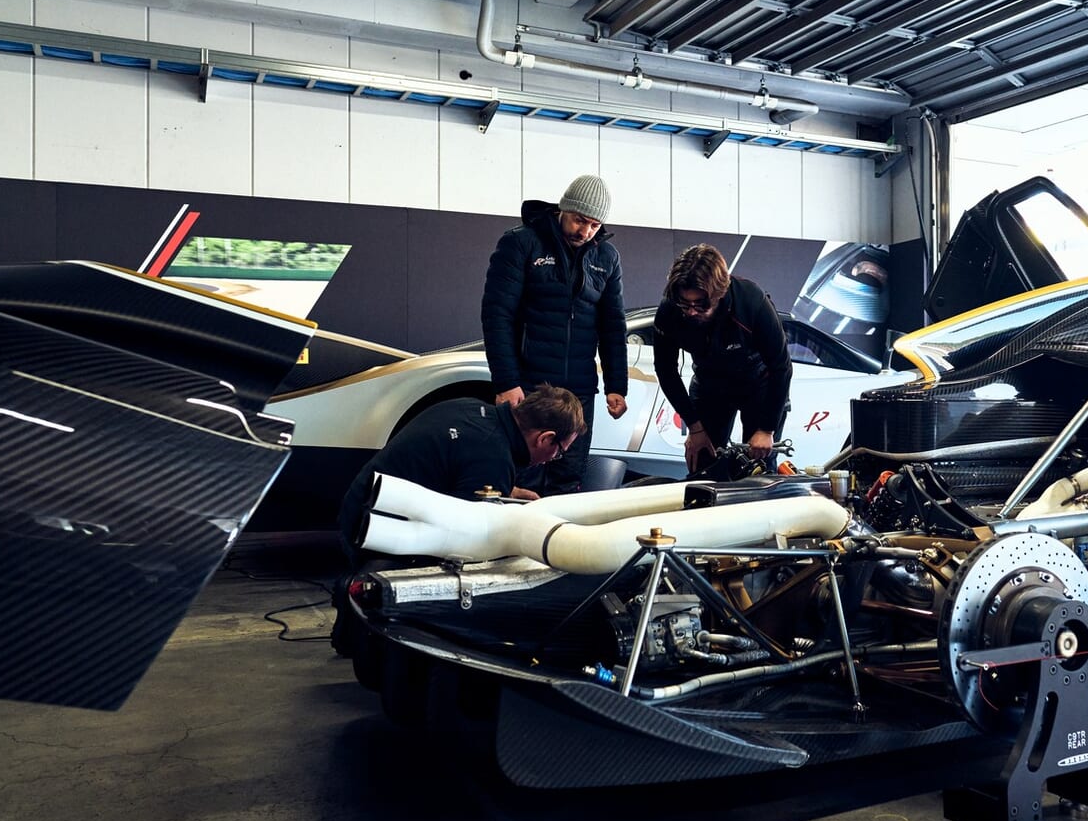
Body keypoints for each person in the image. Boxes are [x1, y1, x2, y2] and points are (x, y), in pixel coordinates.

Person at [480, 173, 628, 495]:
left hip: (580, 390)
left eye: (595, 225)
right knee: (521, 476)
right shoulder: (520, 243)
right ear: (564, 208)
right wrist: (506, 382)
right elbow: (497, 315)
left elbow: (613, 326)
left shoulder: (608, 258)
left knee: (568, 477)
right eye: (579, 220)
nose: (585, 232)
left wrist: (617, 385)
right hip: (528, 385)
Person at [334, 384, 585, 567]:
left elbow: (451, 469)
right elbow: (467, 543)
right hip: (375, 537)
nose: (553, 458)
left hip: (359, 507)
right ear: (545, 439)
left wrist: (507, 492)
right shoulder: (493, 458)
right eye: (559, 452)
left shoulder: (471, 407)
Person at [652, 244, 793, 473]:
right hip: (710, 385)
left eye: (701, 304)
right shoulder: (670, 310)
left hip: (759, 384)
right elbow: (665, 369)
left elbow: (781, 367)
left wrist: (767, 429)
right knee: (703, 464)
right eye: (685, 304)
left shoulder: (751, 301)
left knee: (756, 470)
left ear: (719, 293)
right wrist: (695, 428)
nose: (692, 311)